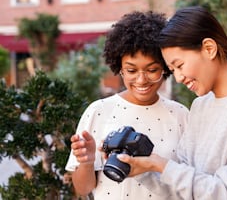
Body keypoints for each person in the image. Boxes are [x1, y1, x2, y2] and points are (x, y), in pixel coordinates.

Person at [117, 6, 227, 200]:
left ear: (209, 48)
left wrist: (162, 165)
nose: (178, 78)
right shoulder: (200, 106)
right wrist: (142, 167)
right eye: (172, 69)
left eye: (180, 65)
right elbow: (181, 188)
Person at [65, 11, 189, 199]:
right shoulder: (98, 111)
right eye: (131, 70)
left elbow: (189, 182)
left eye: (152, 70)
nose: (141, 80)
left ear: (165, 67)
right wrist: (87, 162)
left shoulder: (181, 115)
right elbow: (83, 189)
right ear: (119, 67)